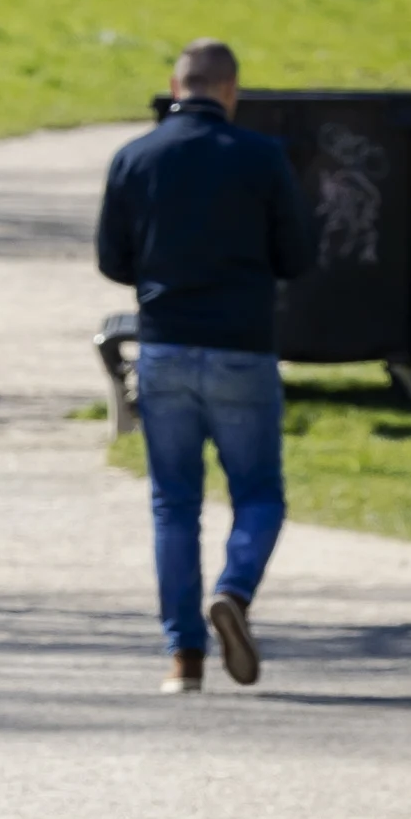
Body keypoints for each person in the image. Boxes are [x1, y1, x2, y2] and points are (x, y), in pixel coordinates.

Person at [96, 38, 311, 694]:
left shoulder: (134, 157)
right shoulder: (262, 157)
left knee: (173, 504)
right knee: (259, 492)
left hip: (164, 346)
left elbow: (112, 259)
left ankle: (182, 658)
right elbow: (297, 255)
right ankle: (235, 591)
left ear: (175, 83)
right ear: (231, 89)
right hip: (243, 348)